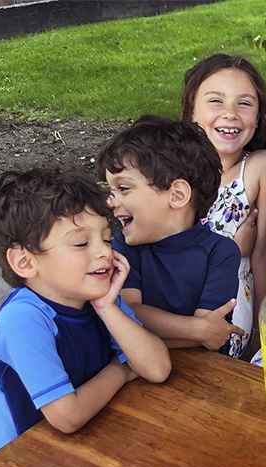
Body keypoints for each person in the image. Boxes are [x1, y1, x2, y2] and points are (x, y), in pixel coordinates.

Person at [0, 168, 171, 453]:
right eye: (81, 243)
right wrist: (120, 371)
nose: (105, 252)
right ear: (25, 262)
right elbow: (68, 416)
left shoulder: (98, 297)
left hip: (89, 443)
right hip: (24, 462)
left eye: (106, 238)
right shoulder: (23, 319)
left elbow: (157, 369)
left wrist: (107, 308)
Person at [95, 115, 245, 352]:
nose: (110, 201)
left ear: (177, 195)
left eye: (123, 188)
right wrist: (198, 329)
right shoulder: (124, 246)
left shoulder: (221, 252)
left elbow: (210, 337)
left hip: (204, 370)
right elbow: (128, 314)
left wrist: (200, 332)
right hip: (139, 368)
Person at [182, 55, 266, 358]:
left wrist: (263, 335)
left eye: (244, 103)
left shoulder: (262, 167)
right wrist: (230, 249)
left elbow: (264, 257)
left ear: (259, 115)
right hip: (172, 304)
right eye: (215, 101)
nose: (230, 114)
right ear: (192, 110)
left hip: (228, 311)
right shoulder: (168, 170)